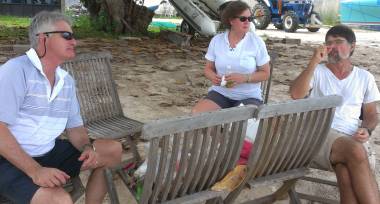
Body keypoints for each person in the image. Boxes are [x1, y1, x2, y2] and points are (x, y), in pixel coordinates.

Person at [0, 11, 122, 204]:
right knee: (59, 200)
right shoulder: (15, 71)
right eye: (66, 36)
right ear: (43, 39)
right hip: (8, 158)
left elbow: (74, 127)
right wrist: (36, 171)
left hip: (47, 150)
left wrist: (86, 147)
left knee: (112, 150)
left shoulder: (66, 81)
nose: (74, 42)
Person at [290, 24, 380, 203]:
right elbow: (296, 94)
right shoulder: (317, 72)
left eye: (338, 42)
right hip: (319, 135)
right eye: (328, 43)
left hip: (350, 136)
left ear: (352, 46)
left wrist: (367, 129)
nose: (332, 46)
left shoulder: (364, 77)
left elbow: (371, 114)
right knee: (356, 151)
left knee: (345, 174)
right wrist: (313, 62)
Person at [191, 0, 270, 114]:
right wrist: (213, 77)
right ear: (231, 20)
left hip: (248, 96)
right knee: (197, 114)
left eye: (250, 18)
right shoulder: (216, 41)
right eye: (243, 19)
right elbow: (208, 69)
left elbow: (265, 73)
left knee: (237, 124)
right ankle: (216, 132)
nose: (247, 22)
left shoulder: (257, 42)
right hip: (220, 93)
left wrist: (245, 78)